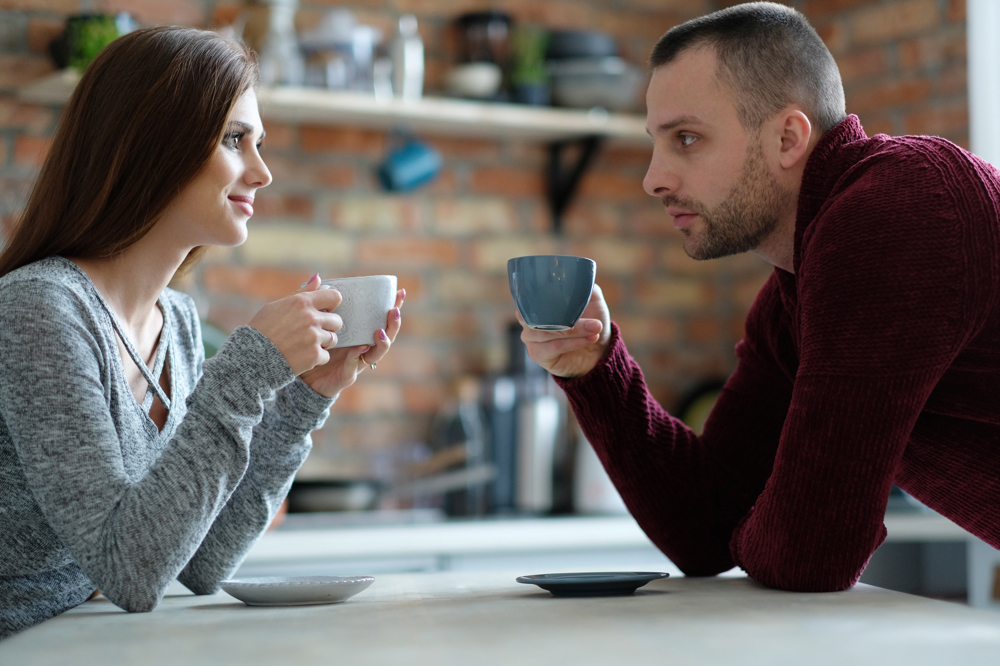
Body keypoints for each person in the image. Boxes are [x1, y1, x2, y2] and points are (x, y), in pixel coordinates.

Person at [517, 2, 1000, 593]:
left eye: (687, 138)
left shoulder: (896, 209)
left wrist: (773, 524)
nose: (653, 178)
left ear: (788, 138)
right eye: (656, 142)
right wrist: (596, 369)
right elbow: (707, 525)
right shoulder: (791, 296)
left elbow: (810, 552)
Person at [0, 26, 404, 638]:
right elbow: (129, 570)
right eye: (235, 139)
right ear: (151, 144)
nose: (263, 172)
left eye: (259, 143)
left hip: (84, 645)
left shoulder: (179, 322)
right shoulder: (40, 307)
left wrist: (304, 396)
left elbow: (198, 562)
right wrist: (251, 368)